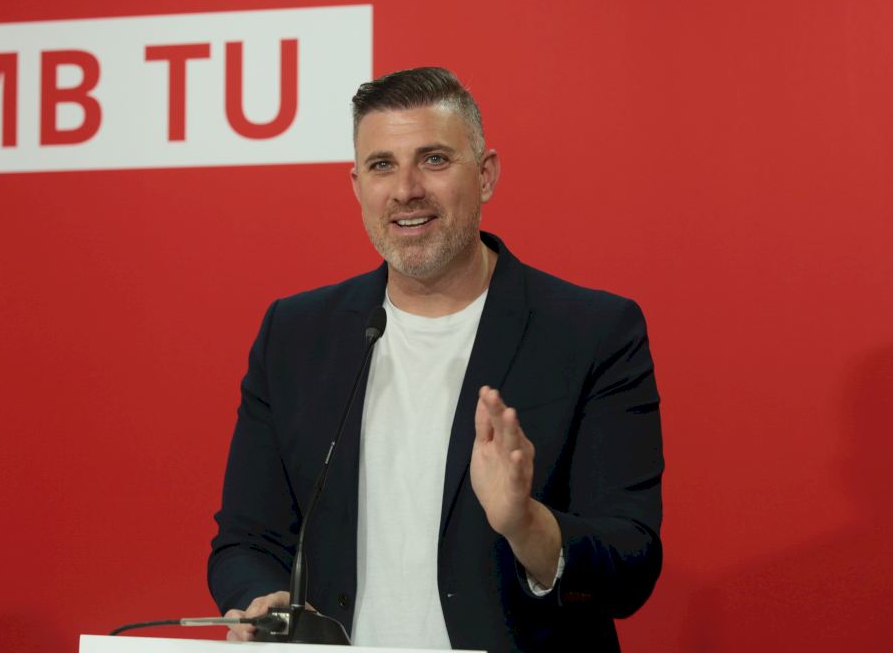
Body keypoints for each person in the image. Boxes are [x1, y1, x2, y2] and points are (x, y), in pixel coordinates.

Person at [208, 67, 663, 651]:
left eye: (434, 159)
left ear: (486, 175)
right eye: (382, 165)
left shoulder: (591, 331)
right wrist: (262, 599)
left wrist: (525, 523)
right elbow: (246, 541)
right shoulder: (296, 335)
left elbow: (630, 565)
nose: (406, 189)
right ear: (357, 185)